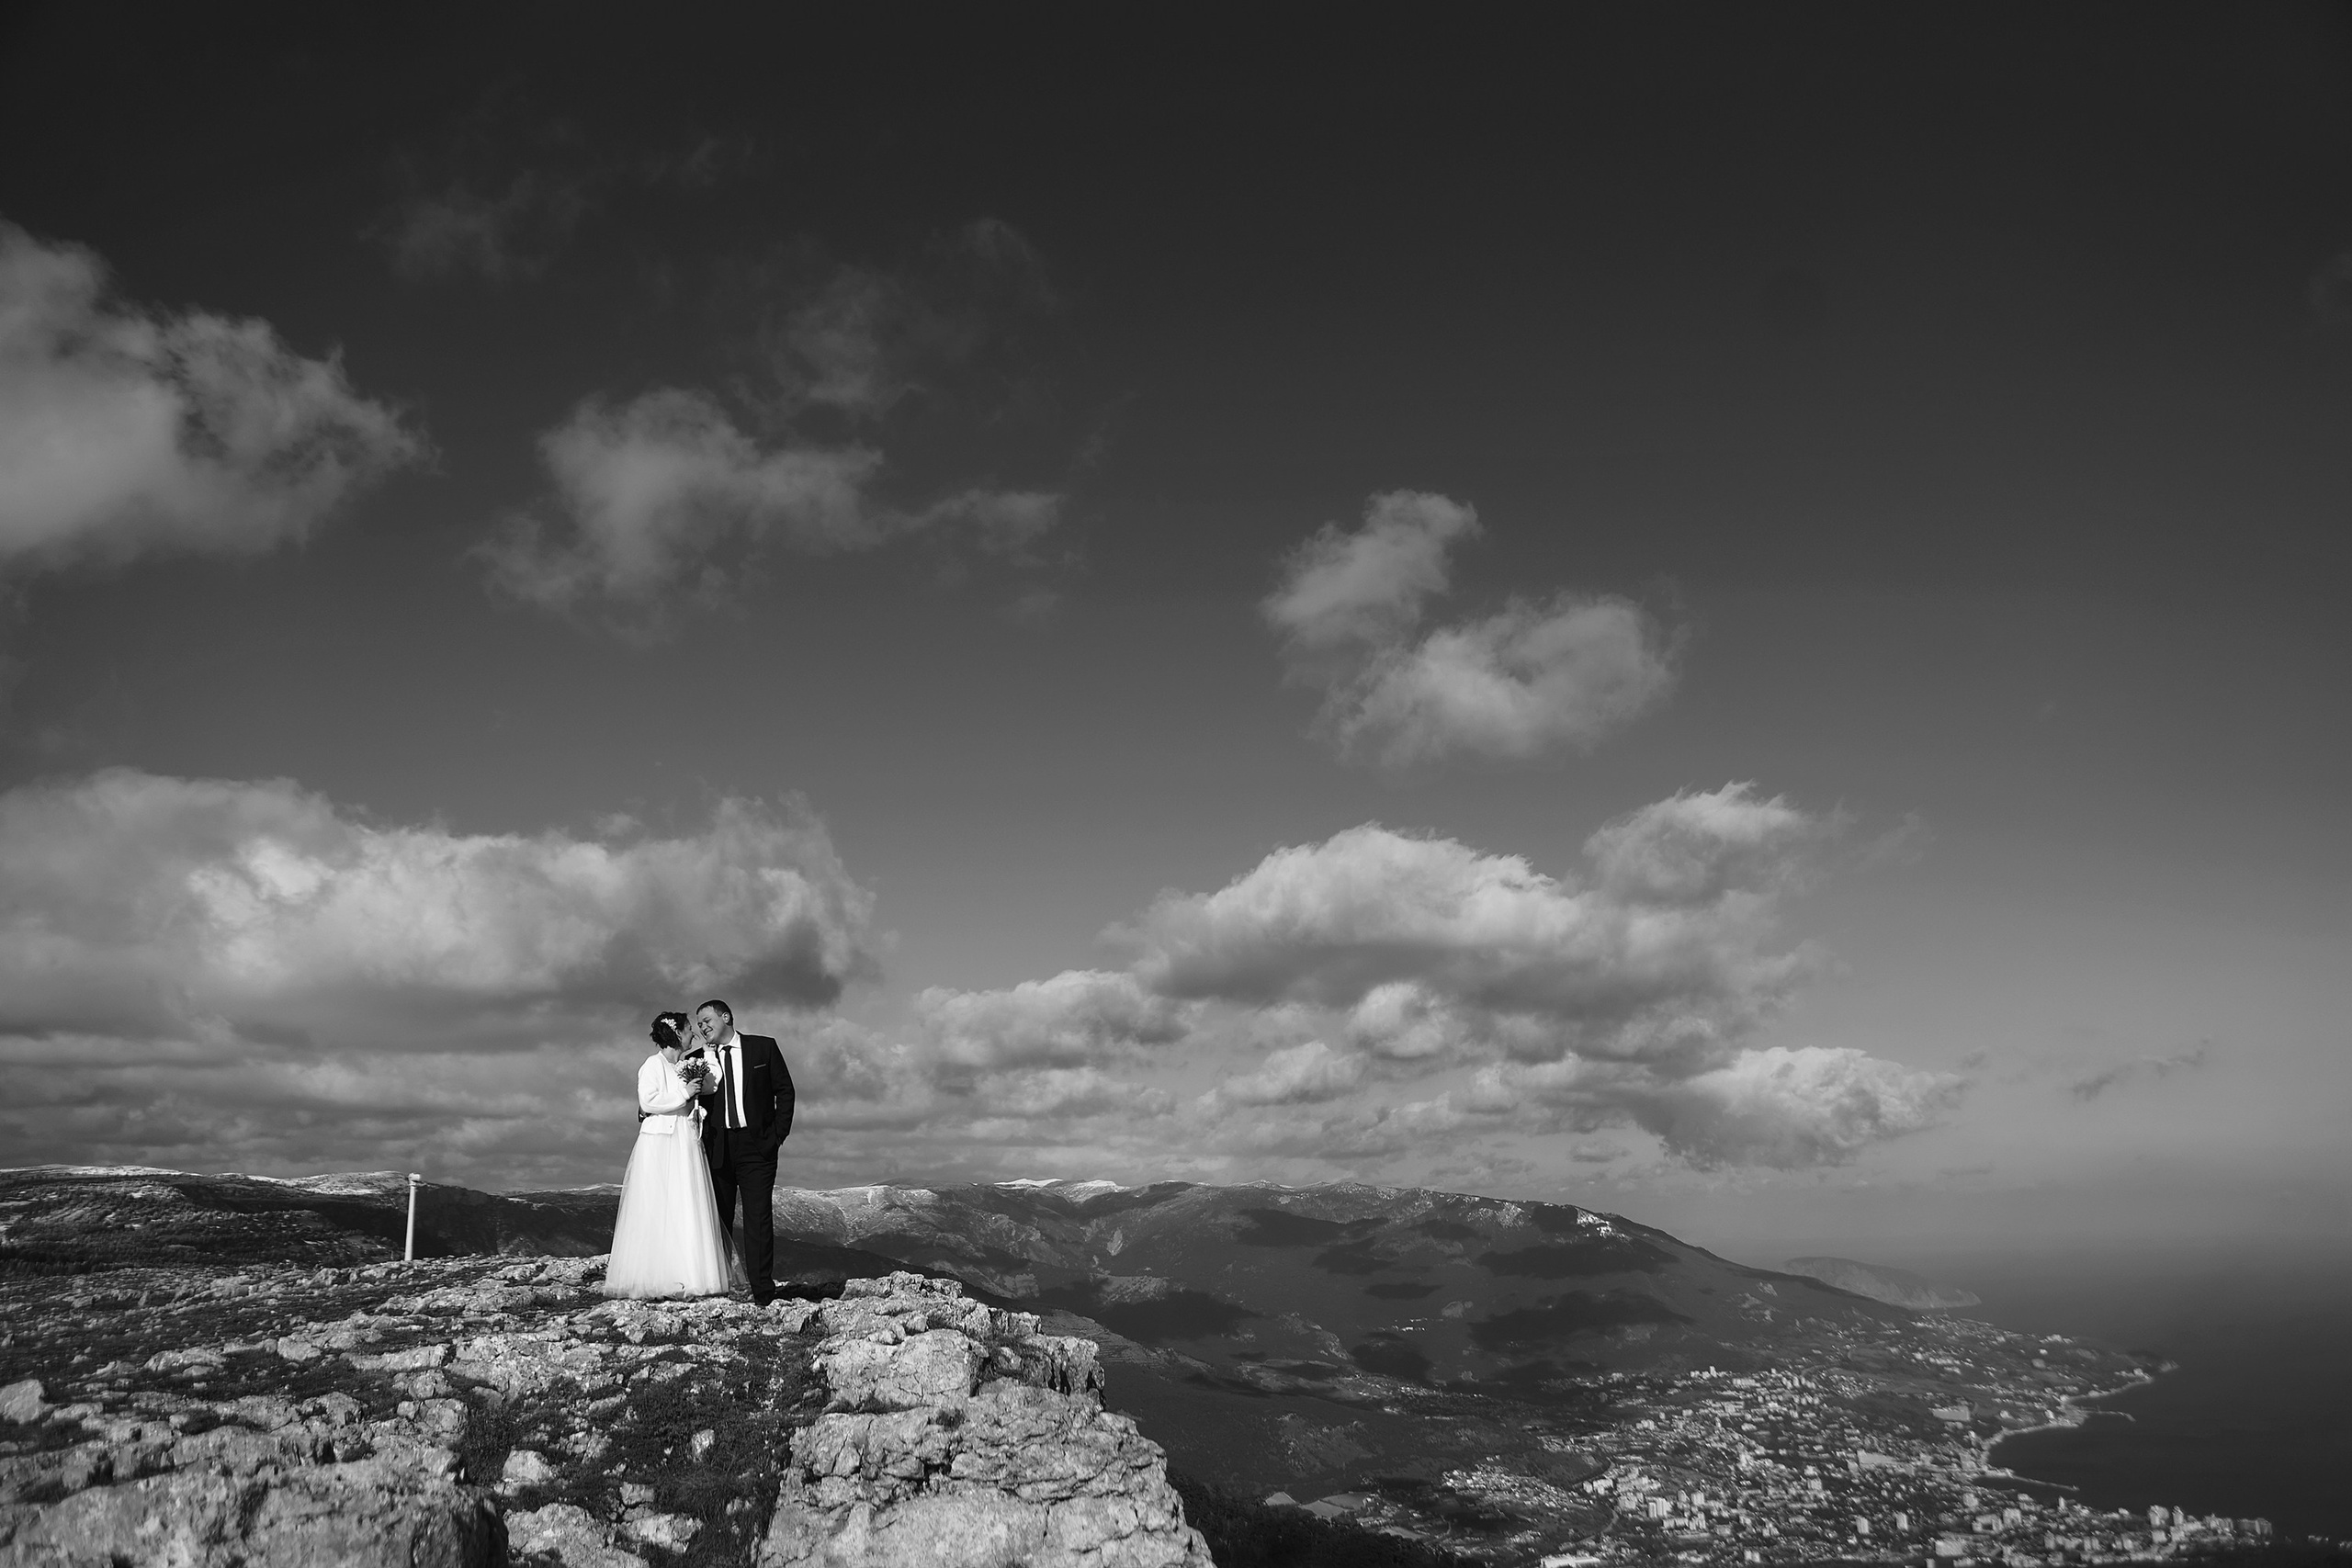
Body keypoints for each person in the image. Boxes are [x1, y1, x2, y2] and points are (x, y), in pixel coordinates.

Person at [604, 1011, 741, 1299]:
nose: (693, 1034)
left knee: (686, 1200)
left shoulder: (684, 1064)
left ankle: (690, 1274)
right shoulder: (652, 1065)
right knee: (658, 1203)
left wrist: (706, 1061)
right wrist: (684, 1094)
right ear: (677, 1033)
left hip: (684, 1137)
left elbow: (712, 1084)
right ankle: (655, 1275)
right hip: (659, 1141)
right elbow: (648, 1102)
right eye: (689, 1029)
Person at [693, 998, 796, 1306]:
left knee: (758, 1218)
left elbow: (785, 1091)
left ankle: (763, 1292)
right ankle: (719, 1286)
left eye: (707, 1020)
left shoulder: (763, 1048)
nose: (702, 1027)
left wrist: (777, 1135)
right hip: (717, 1147)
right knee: (717, 1219)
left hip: (757, 1145)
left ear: (726, 1017)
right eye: (699, 1024)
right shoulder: (696, 1059)